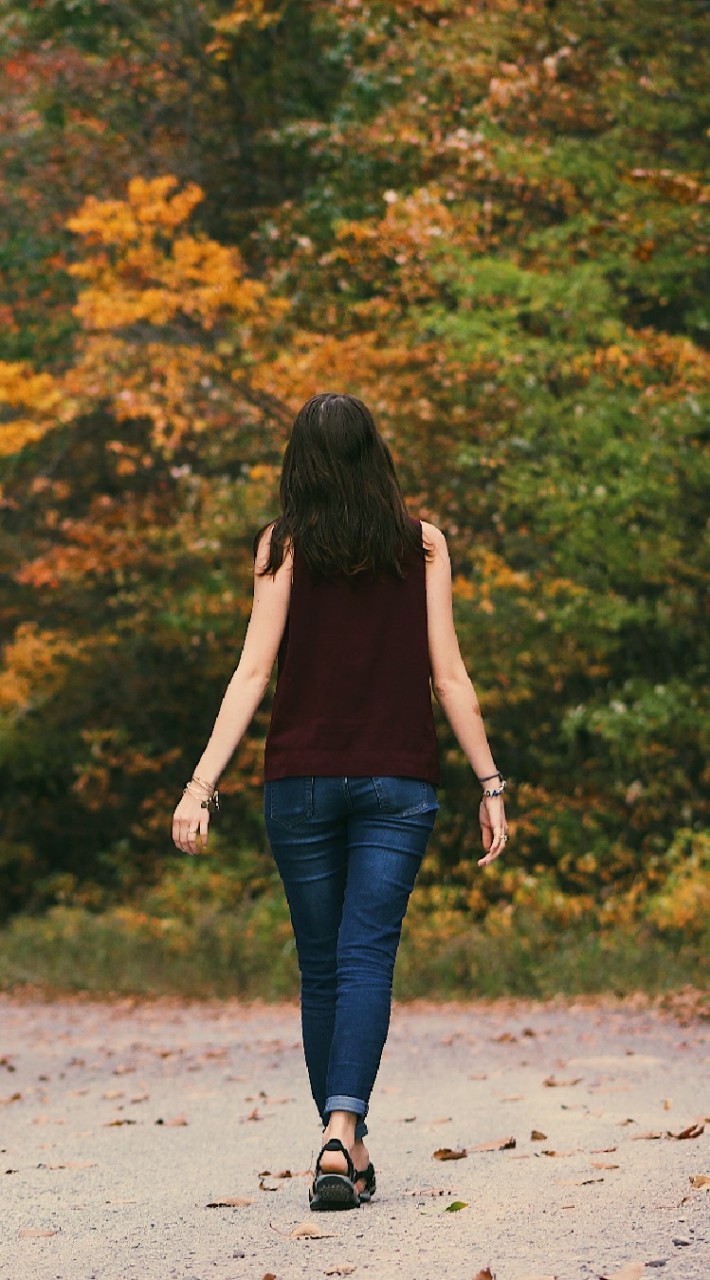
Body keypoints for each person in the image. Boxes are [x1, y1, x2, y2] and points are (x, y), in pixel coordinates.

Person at [171, 392, 509, 1210]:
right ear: (377, 455)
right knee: (365, 957)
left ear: (301, 464)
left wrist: (200, 785)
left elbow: (251, 673)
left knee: (322, 963)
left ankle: (337, 1137)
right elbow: (449, 675)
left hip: (302, 781)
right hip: (401, 781)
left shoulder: (281, 547)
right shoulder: (422, 546)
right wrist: (490, 781)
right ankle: (343, 1131)